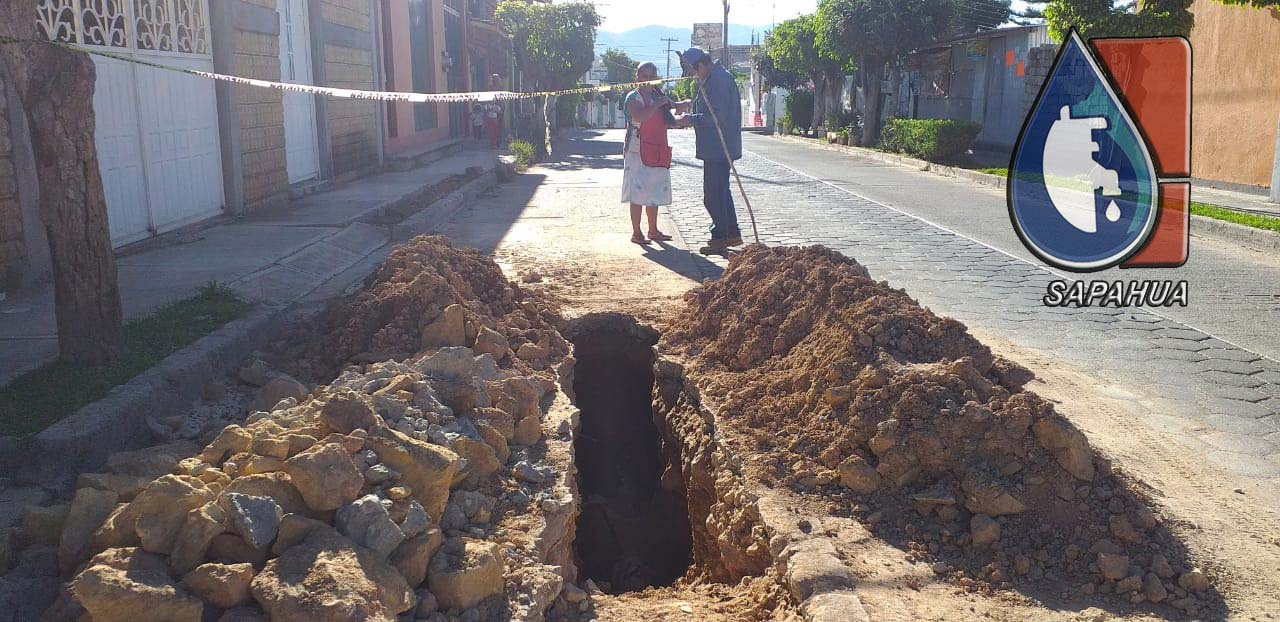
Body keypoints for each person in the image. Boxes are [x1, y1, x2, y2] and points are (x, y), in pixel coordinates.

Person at [674, 47, 743, 254]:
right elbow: (708, 106)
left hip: (719, 147)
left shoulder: (719, 80)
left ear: (702, 65)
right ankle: (731, 233)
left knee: (712, 195)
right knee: (721, 191)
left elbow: (718, 116)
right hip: (716, 147)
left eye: (694, 72)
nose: (693, 77)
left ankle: (720, 236)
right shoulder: (712, 78)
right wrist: (689, 105)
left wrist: (689, 120)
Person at [620, 62, 680, 245]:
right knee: (637, 193)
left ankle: (653, 230)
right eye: (644, 76)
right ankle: (637, 233)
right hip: (637, 151)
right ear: (638, 77)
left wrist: (682, 107)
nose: (648, 80)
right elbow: (640, 116)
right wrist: (658, 104)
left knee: (653, 191)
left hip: (657, 149)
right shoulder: (633, 97)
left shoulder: (657, 96)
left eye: (652, 76)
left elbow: (671, 116)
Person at [484, 74, 504, 149]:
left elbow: (503, 99)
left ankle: (498, 141)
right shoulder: (490, 88)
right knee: (492, 128)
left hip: (499, 109)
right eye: (494, 79)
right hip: (492, 108)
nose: (496, 80)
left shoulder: (501, 88)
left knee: (499, 127)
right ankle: (493, 142)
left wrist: (501, 108)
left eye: (497, 79)